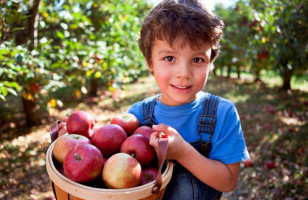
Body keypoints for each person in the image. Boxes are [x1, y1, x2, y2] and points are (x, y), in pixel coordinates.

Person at [127, 0, 250, 199]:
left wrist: (183, 153)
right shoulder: (136, 115)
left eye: (197, 60)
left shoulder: (223, 113)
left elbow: (228, 181)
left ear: (211, 63)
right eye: (169, 58)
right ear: (149, 61)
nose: (183, 73)